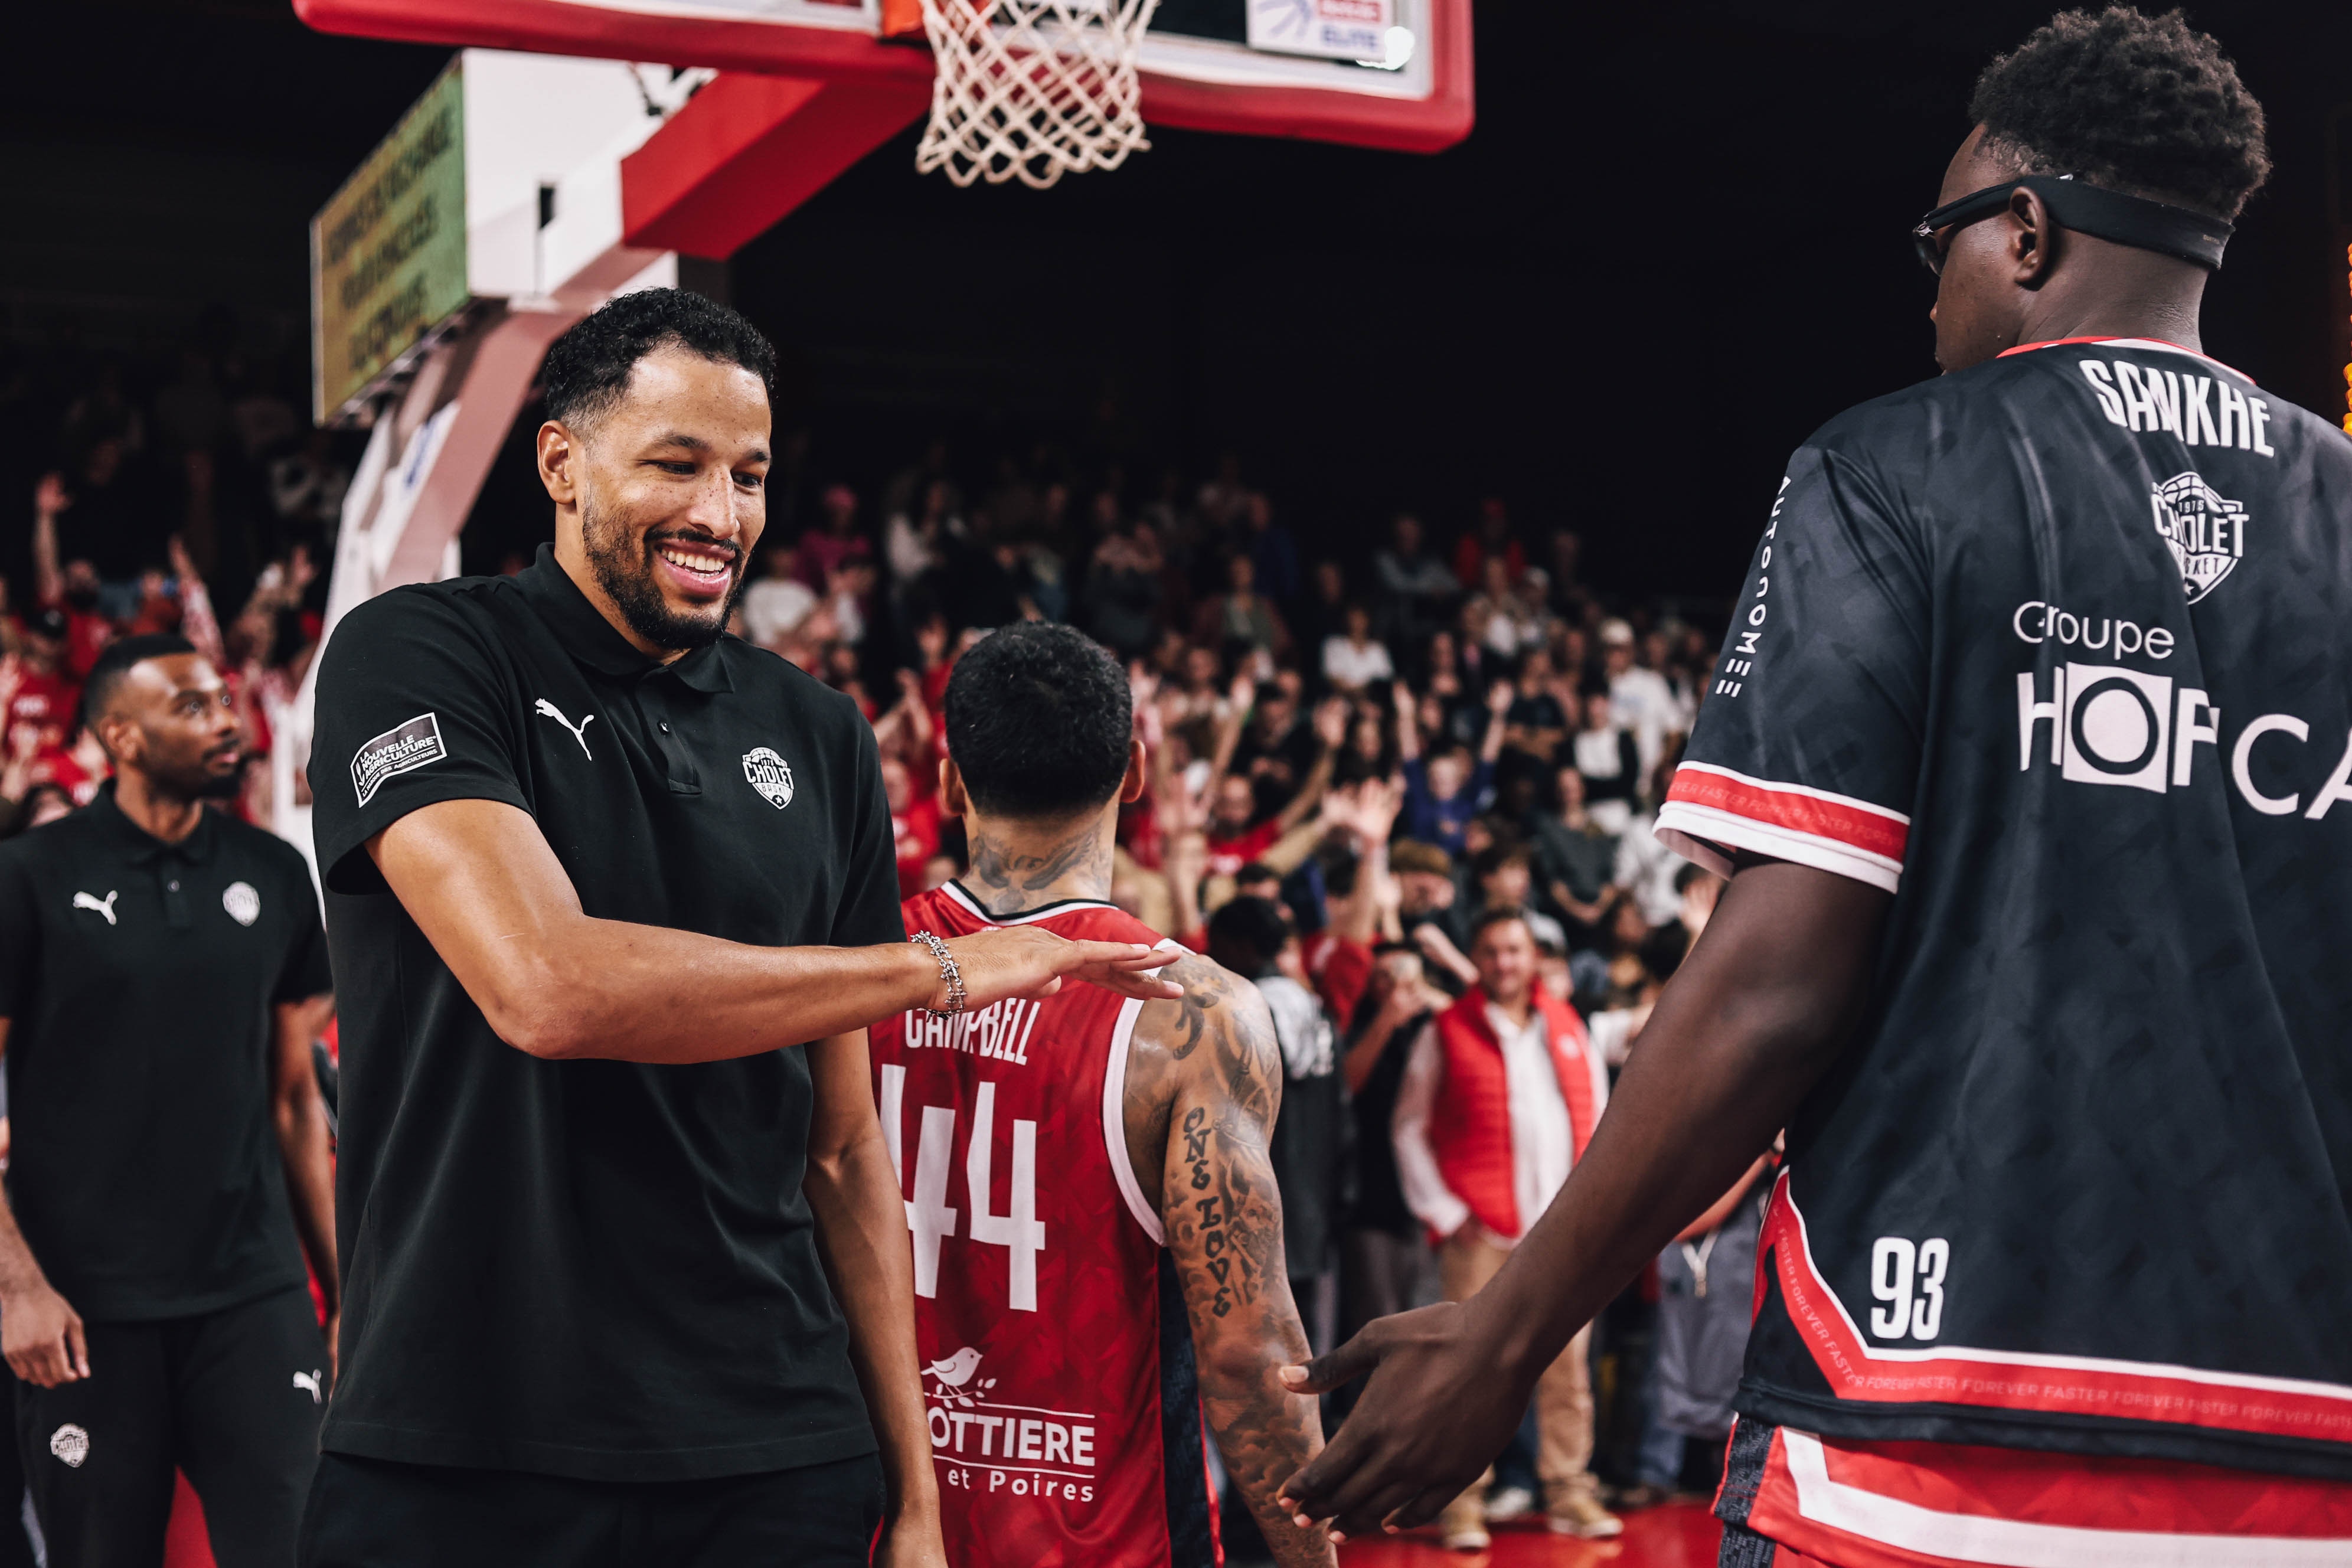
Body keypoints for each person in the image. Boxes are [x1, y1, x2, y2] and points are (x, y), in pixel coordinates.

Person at [1280, 12, 2352, 1564]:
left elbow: (1779, 985)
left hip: (1930, 1440)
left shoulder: (1893, 468)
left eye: (1946, 245)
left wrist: (1508, 1332)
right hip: (2304, 1456)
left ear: (2029, 235)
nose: (1932, 296)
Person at [299, 290, 1176, 1568]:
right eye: (677, 463)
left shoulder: (817, 732)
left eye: (750, 474)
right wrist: (937, 967)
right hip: (461, 1433)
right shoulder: (422, 654)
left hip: (774, 1449)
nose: (722, 514)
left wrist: (918, 1500)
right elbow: (548, 987)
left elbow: (842, 1150)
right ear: (562, 461)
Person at [867, 623, 1331, 1568]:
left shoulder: (848, 973)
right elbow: (1248, 1350)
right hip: (1106, 1534)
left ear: (951, 781)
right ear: (1136, 771)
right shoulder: (1194, 1017)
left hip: (877, 1521)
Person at [0, 633, 337, 1566]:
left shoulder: (273, 873)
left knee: (304, 1547)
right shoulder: (29, 879)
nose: (228, 722)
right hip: (83, 1308)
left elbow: (295, 1099)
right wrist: (15, 1285)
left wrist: (346, 1288)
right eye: (192, 706)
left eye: (225, 699)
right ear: (121, 737)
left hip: (253, 1294)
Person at [1387, 910, 1614, 1547]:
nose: (1504, 962)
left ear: (1532, 955)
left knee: (1568, 1371)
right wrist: (1446, 1211)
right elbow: (1409, 1126)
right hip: (1479, 1234)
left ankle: (1570, 1490)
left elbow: (1600, 1119)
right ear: (1478, 958)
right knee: (1468, 1372)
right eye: (1491, 951)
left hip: (1559, 1234)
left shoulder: (1568, 1025)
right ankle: (1461, 1502)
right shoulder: (1448, 1030)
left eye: (1514, 949)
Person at [1206, 897, 1342, 1360]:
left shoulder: (1246, 1006)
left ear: (1240, 946)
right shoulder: (1313, 1006)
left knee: (1255, 1346)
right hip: (1313, 1196)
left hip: (1260, 1193)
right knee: (1301, 1341)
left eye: (1217, 945)